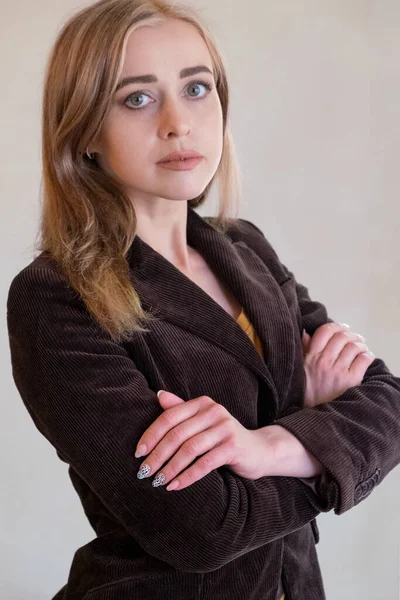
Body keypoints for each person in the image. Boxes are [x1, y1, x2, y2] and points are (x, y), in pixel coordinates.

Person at [6, 1, 400, 599]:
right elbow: (202, 528)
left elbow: (389, 402)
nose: (177, 122)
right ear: (85, 128)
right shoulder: (55, 299)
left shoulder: (244, 248)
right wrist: (322, 440)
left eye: (196, 88)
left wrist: (270, 446)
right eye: (136, 98)